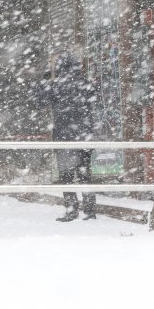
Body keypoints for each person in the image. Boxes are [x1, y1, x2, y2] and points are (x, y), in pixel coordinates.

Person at [35, 52, 99, 221]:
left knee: (66, 176)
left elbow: (39, 101)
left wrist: (43, 81)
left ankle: (72, 210)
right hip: (84, 137)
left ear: (59, 68)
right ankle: (90, 211)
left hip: (64, 137)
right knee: (85, 175)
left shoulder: (56, 86)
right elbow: (95, 98)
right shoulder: (85, 84)